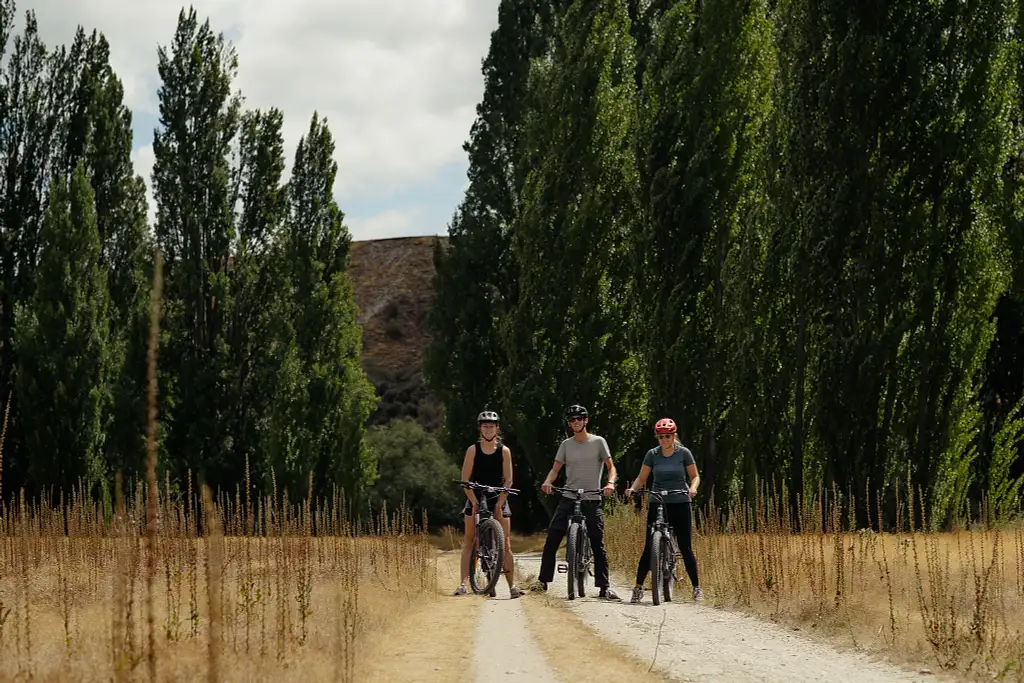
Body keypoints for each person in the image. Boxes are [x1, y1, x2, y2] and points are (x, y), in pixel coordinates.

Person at [533, 404, 621, 600]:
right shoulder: (566, 445)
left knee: (597, 542)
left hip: (592, 497)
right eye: (572, 420)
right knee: (552, 538)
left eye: (579, 419)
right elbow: (555, 469)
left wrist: (610, 483)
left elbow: (611, 467)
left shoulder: (598, 442)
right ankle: (542, 581)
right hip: (569, 496)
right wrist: (548, 481)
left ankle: (604, 587)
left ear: (586, 421)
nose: (575, 422)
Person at [625, 417, 703, 603]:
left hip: (680, 501)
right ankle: (638, 587)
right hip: (657, 501)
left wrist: (692, 488)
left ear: (673, 435)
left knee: (685, 547)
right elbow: (642, 477)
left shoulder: (683, 453)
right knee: (649, 545)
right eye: (660, 437)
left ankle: (696, 588)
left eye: (667, 436)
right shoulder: (652, 454)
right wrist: (633, 489)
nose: (664, 440)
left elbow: (695, 476)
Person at [453, 409, 523, 598]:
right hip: (475, 494)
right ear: (480, 428)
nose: (488, 429)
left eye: (492, 426)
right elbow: (465, 480)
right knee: (469, 541)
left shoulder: (504, 451)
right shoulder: (472, 450)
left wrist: (501, 502)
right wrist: (473, 501)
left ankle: (512, 586)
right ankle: (463, 584)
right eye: (485, 426)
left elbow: (508, 481)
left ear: (497, 428)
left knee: (506, 543)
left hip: (497, 495)